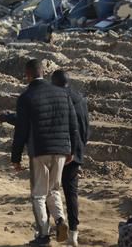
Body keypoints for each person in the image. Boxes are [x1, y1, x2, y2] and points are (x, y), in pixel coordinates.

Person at [11, 59, 78, 246]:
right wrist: (71, 149)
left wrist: (15, 158)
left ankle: (43, 234)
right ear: (44, 72)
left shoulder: (26, 97)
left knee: (39, 194)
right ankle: (60, 220)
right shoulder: (62, 94)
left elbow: (21, 130)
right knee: (54, 189)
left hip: (39, 150)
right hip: (61, 150)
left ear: (28, 75)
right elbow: (73, 124)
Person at [51, 70, 89, 247]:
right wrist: (80, 148)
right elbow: (85, 127)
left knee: (50, 191)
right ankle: (73, 234)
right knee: (71, 194)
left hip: (60, 152)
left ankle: (50, 227)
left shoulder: (57, 99)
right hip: (77, 152)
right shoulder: (80, 98)